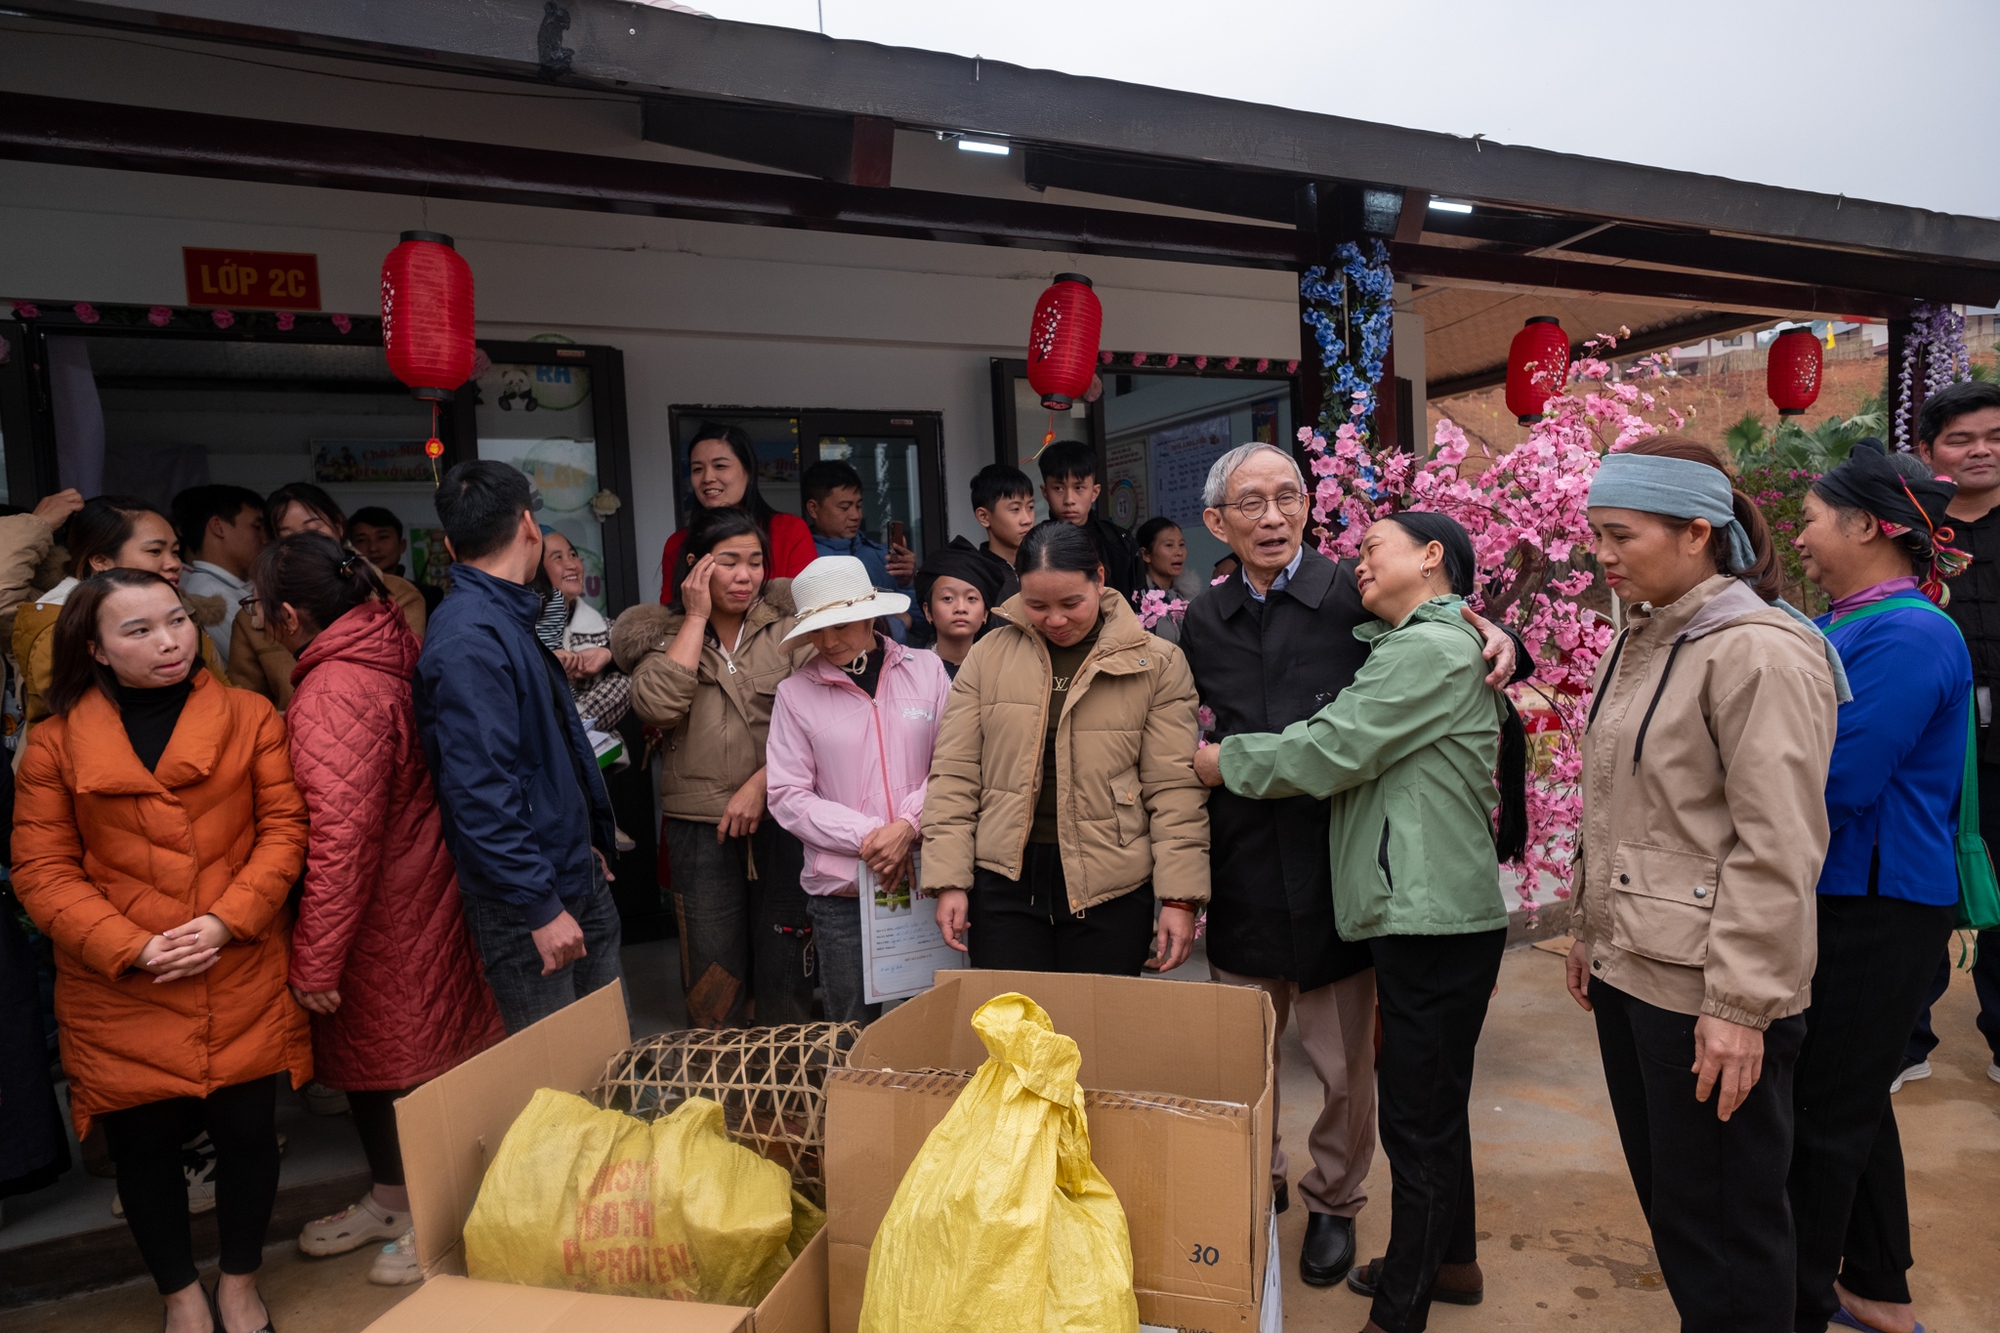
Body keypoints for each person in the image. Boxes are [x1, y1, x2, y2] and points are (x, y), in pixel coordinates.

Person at [1178, 442, 1525, 1283]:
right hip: (1245, 865)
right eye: (1250, 503)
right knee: (1243, 1056)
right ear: (1215, 522)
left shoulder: (1355, 593)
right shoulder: (1198, 619)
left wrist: (1501, 630)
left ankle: (1336, 1200)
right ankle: (1257, 1185)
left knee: (1345, 1067)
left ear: (1307, 506)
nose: (1272, 516)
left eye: (1288, 496)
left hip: (1343, 864)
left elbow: (1445, 637)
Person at [1565, 439, 1838, 1333]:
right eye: (1595, 533)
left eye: (1620, 534)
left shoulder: (1756, 652)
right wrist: (1587, 926)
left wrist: (1740, 1004)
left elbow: (1779, 846)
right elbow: (1625, 803)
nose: (1601, 553)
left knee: (1727, 1232)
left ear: (1697, 532)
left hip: (1706, 991)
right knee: (1685, 1217)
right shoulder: (1643, 635)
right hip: (1634, 968)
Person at [12, 568, 310, 1333]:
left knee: (248, 1133)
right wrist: (133, 946)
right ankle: (181, 1296)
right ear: (97, 649)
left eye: (176, 620)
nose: (170, 640)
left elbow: (285, 831)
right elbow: (42, 870)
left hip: (234, 959)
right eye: (138, 630)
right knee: (144, 1147)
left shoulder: (249, 716)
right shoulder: (53, 742)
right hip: (119, 978)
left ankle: (240, 1285)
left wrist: (224, 921)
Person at [257, 533, 505, 1287]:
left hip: (383, 910)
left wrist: (317, 955)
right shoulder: (388, 647)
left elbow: (342, 836)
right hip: (423, 885)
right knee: (398, 1062)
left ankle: (431, 1223)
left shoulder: (335, 688)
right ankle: (399, 1202)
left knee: (402, 1068)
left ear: (290, 615)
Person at [1787, 441, 1968, 1333]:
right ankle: (1877, 1285)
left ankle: (1800, 1300)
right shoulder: (1851, 620)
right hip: (1854, 889)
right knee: (1853, 1095)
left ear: (1867, 524)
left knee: (1822, 1109)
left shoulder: (1906, 630)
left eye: (1813, 519)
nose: (1802, 536)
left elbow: (1838, 782)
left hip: (1875, 898)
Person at [923, 520, 1205, 976]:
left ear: (1099, 577)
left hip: (1110, 886)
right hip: (1003, 884)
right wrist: (950, 881)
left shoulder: (1156, 663)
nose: (1055, 620)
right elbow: (955, 774)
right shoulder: (988, 655)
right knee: (1011, 1037)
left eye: (1071, 603)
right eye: (1037, 605)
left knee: (1097, 1037)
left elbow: (1173, 789)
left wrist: (1179, 898)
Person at [416, 461, 623, 1034]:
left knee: (608, 1055)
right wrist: (539, 905)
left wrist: (584, 847)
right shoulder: (469, 636)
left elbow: (541, 757)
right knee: (558, 1084)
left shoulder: (509, 613)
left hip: (571, 870)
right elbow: (480, 791)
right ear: (530, 526)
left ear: (452, 545)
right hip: (530, 900)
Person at [613, 507, 816, 1027]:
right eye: (729, 562)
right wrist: (697, 617)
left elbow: (821, 720)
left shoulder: (790, 631)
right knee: (711, 973)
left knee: (785, 966)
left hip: (785, 819)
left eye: (754, 561)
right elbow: (656, 707)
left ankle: (786, 1089)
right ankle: (719, 1090)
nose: (745, 575)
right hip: (701, 829)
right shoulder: (662, 637)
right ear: (696, 568)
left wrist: (761, 783)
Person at [765, 556, 951, 1024]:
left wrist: (909, 825)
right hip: (843, 893)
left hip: (928, 880)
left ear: (870, 614)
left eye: (841, 625)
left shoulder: (927, 670)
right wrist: (874, 838)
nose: (828, 642)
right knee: (851, 1033)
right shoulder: (795, 693)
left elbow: (957, 764)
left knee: (933, 1026)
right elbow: (787, 794)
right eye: (816, 629)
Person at [1906, 379, 2000, 1091]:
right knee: (1922, 892)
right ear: (1928, 451)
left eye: (1995, 437)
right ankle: (1905, 1038)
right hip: (1936, 747)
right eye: (1963, 439)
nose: (1982, 451)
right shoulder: (1908, 533)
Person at [15, 496, 227, 730]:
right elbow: (86, 733)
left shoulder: (177, 608)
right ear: (100, 560)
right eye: (155, 551)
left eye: (175, 552)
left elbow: (226, 696)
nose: (173, 563)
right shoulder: (63, 626)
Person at [228, 485, 429, 711]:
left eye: (313, 529)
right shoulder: (255, 617)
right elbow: (246, 708)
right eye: (287, 536)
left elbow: (413, 682)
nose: (304, 542)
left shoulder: (395, 596)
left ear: (338, 526)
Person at [657, 422, 816, 599]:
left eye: (720, 466)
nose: (707, 478)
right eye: (697, 469)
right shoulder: (677, 543)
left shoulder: (789, 530)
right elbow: (671, 617)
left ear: (748, 473)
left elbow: (806, 608)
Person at [534, 529, 630, 733]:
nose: (571, 565)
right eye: (557, 557)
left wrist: (608, 653)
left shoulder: (607, 630)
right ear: (536, 569)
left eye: (573, 555)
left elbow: (636, 667)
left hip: (602, 758)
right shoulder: (524, 631)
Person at [172, 485, 269, 660]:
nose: (265, 539)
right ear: (218, 527)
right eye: (257, 527)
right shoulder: (210, 598)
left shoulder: (240, 584)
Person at [1036, 441, 1141, 597]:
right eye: (1058, 488)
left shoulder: (1120, 542)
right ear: (1045, 492)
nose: (1069, 499)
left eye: (1078, 488)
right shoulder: (1035, 543)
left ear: (1095, 491)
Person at [801, 458, 917, 594]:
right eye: (844, 507)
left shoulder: (884, 558)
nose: (856, 515)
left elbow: (918, 614)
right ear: (813, 508)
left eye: (858, 506)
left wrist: (907, 582)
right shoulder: (800, 560)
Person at [910, 543, 1005, 678]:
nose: (960, 608)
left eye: (971, 598)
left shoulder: (1001, 671)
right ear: (928, 611)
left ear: (985, 612)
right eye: (948, 598)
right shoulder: (911, 672)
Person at [348, 506, 444, 615]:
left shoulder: (428, 596)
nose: (373, 548)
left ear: (402, 545)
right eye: (361, 540)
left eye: (382, 537)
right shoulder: (346, 596)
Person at [967, 462, 1034, 603]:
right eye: (1015, 509)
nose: (1027, 519)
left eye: (1030, 507)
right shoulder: (976, 578)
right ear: (984, 517)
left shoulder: (1044, 565)